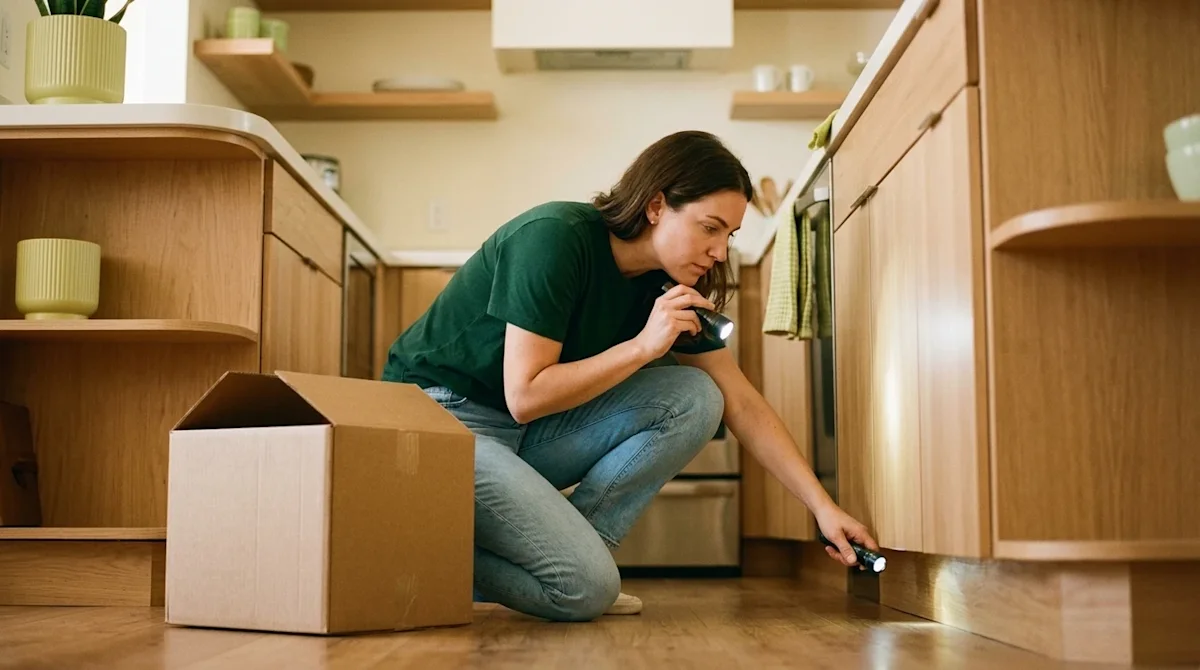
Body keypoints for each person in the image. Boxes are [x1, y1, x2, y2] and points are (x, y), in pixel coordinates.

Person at [381, 130, 879, 622]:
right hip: (440, 427)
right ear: (657, 205)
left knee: (696, 395)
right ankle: (471, 562)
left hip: (518, 435)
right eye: (710, 228)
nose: (721, 252)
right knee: (585, 591)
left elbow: (740, 402)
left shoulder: (667, 284)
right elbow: (526, 396)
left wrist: (822, 507)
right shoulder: (555, 237)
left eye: (729, 235)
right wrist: (643, 346)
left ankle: (576, 562)